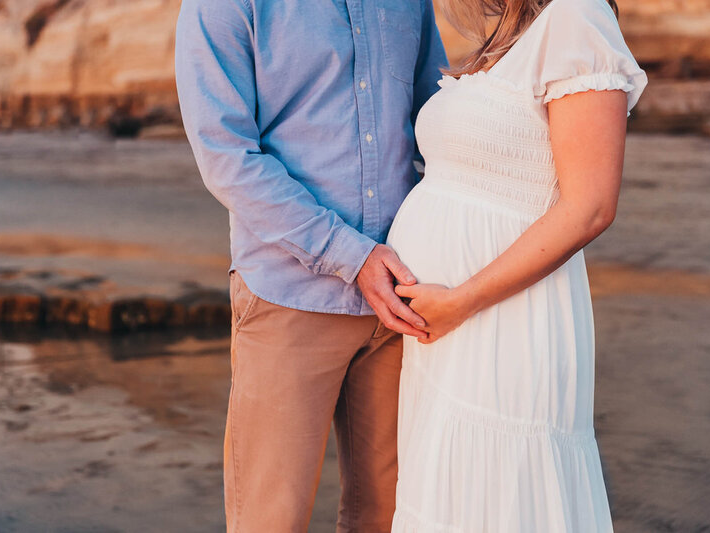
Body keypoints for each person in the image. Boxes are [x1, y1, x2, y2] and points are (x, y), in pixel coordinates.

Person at [174, 1, 447, 531]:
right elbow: (225, 154)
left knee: (391, 516)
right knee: (270, 518)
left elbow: (436, 121)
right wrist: (352, 255)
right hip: (289, 298)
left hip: (403, 299)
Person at [384, 0, 647, 530]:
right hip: (452, 327)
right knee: (454, 495)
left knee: (499, 493)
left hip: (504, 318)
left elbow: (590, 207)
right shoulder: (514, 32)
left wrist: (461, 301)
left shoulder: (578, 16)